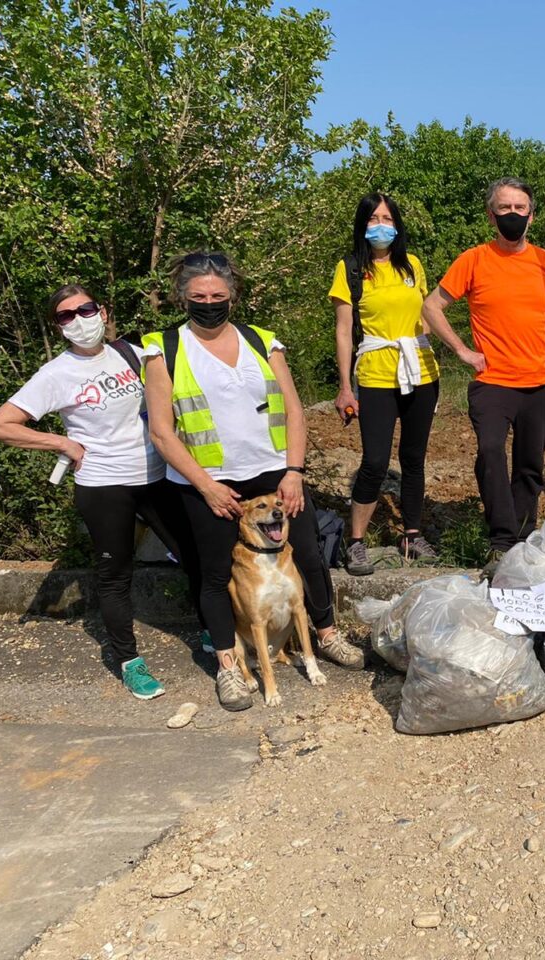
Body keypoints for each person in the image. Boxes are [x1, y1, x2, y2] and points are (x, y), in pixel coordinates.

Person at [143, 251, 361, 713]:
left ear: (233, 296)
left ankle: (325, 635)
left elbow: (294, 409)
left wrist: (295, 472)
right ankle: (228, 665)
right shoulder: (163, 349)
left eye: (218, 296)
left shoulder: (262, 342)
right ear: (183, 296)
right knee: (213, 572)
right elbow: (162, 430)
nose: (208, 303)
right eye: (198, 296)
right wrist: (205, 485)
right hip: (206, 482)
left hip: (271, 472)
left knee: (306, 552)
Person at [0, 284, 203, 700]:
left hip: (159, 476)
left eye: (85, 309)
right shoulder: (55, 374)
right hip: (104, 485)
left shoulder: (135, 353)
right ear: (58, 326)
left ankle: (213, 634)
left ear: (102, 311)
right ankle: (129, 662)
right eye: (66, 316)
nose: (79, 320)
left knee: (195, 555)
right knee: (115, 576)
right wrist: (62, 444)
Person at [421, 177, 545, 568]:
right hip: (491, 381)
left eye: (520, 208)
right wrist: (462, 351)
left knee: (529, 463)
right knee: (490, 451)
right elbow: (432, 306)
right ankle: (502, 541)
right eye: (504, 208)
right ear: (491, 215)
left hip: (539, 383)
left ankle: (524, 537)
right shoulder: (474, 259)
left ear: (531, 216)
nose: (512, 215)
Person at [330, 192, 440, 573]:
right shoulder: (350, 269)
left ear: (398, 225)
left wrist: (427, 340)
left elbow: (425, 313)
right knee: (375, 460)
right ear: (363, 225)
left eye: (388, 219)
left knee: (413, 458)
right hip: (376, 373)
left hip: (421, 371)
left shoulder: (412, 265)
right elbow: (344, 331)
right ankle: (356, 541)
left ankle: (412, 533)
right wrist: (345, 386)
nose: (382, 225)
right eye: (374, 218)